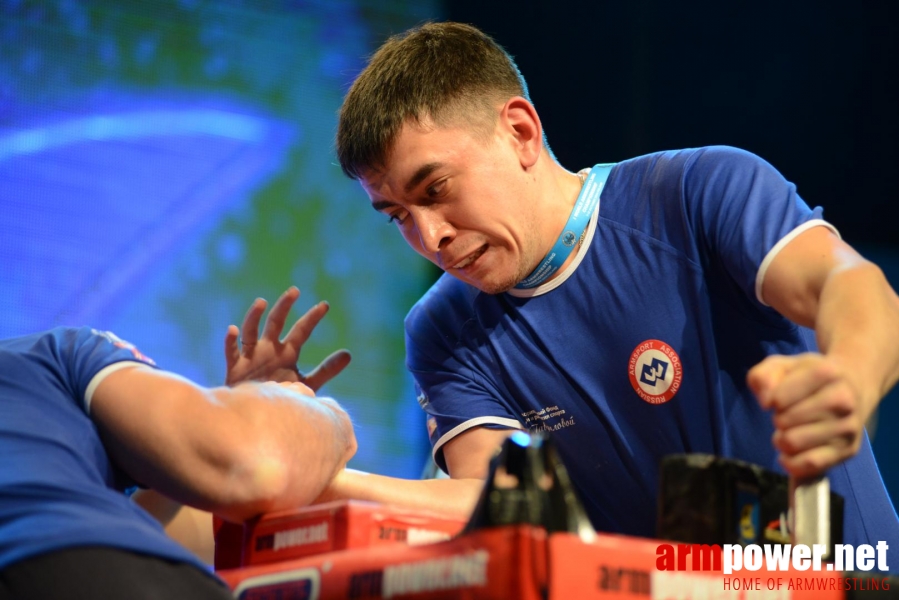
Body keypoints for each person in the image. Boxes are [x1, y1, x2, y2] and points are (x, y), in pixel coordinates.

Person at [233, 21, 899, 566]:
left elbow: (853, 285)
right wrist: (295, 464)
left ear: (519, 131)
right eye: (397, 215)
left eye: (434, 190)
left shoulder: (698, 192)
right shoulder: (440, 330)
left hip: (851, 582)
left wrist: (847, 380)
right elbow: (490, 503)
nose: (428, 236)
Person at [0, 288, 355, 599]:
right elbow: (256, 465)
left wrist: (248, 414)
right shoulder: (52, 353)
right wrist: (316, 415)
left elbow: (153, 522)